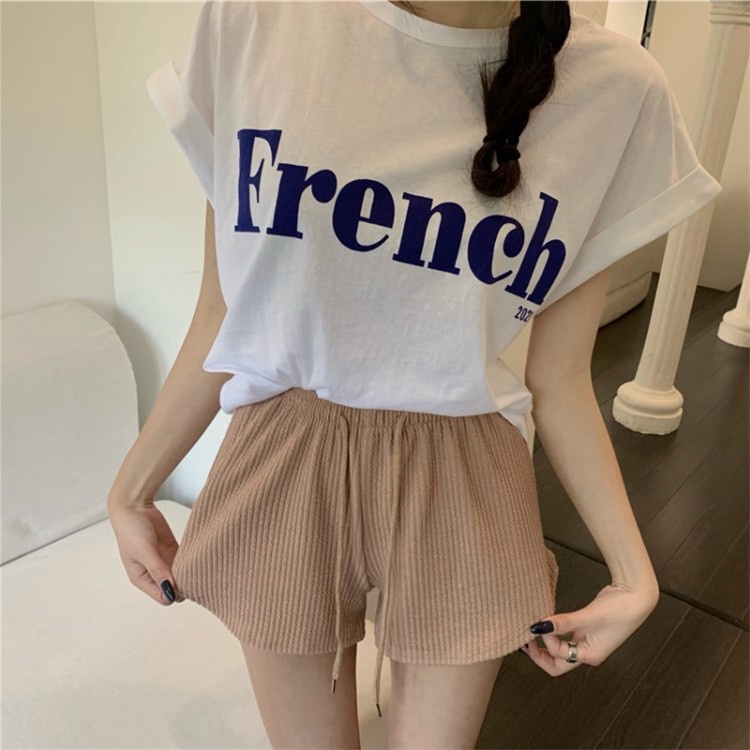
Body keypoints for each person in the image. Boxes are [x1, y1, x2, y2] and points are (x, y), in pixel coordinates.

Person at [108, 1, 722, 747]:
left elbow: (560, 378)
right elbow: (223, 312)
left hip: (465, 469)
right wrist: (131, 489)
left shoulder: (615, 90)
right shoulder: (258, 21)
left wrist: (634, 574)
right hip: (285, 456)